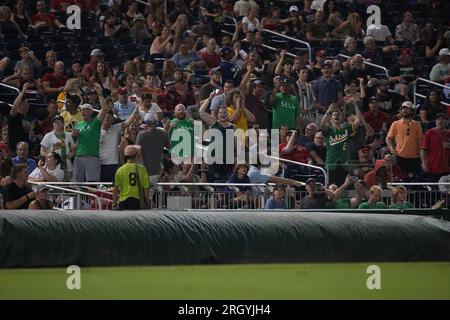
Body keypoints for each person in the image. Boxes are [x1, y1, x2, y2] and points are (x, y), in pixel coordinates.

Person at [71, 83, 107, 182]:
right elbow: (76, 142)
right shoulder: (78, 124)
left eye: (86, 110)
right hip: (78, 156)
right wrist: (74, 136)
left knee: (92, 183)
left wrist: (100, 94)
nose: (83, 112)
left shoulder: (96, 122)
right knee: (77, 184)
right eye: (82, 110)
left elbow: (104, 109)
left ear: (91, 111)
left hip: (92, 156)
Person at [320, 102, 362, 185]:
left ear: (342, 117)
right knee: (330, 188)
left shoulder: (346, 129)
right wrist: (328, 111)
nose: (336, 116)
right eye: (334, 115)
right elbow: (322, 125)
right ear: (331, 118)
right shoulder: (329, 130)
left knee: (343, 188)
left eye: (338, 114)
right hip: (331, 164)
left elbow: (358, 120)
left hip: (344, 164)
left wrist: (355, 104)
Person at [386, 101, 423, 179]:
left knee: (414, 180)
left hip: (415, 157)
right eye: (403, 108)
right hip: (400, 156)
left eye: (407, 108)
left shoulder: (417, 124)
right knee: (401, 179)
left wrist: (421, 156)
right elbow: (388, 138)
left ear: (412, 111)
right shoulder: (395, 124)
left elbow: (420, 141)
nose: (404, 110)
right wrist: (392, 149)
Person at [136, 113, 171, 187]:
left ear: (146, 122)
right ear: (156, 121)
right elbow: (169, 146)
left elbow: (137, 151)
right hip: (159, 170)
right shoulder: (164, 133)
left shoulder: (141, 135)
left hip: (144, 170)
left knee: (146, 193)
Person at [113, 145, 150, 210]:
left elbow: (115, 190)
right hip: (137, 202)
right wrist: (148, 203)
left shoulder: (120, 170)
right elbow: (146, 192)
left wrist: (114, 204)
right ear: (135, 155)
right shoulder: (142, 169)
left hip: (123, 202)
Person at [40, 115, 75, 181]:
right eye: (55, 122)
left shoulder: (68, 135)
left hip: (67, 166)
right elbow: (42, 152)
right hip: (53, 168)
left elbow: (73, 149)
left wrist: (71, 154)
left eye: (59, 122)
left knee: (67, 187)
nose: (56, 124)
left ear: (63, 124)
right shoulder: (48, 136)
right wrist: (50, 156)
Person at [420, 113, 450, 182]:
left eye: (443, 119)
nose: (440, 121)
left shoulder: (448, 134)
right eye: (438, 119)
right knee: (435, 191)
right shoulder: (430, 133)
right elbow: (423, 150)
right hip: (433, 168)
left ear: (447, 121)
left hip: (447, 169)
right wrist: (424, 164)